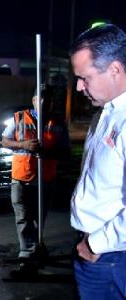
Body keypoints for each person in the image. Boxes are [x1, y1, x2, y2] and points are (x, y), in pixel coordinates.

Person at [69, 24, 126, 300]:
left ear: (115, 69)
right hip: (93, 247)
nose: (79, 87)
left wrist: (95, 243)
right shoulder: (104, 114)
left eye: (84, 77)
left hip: (111, 255)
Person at [2, 86, 70, 276]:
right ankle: (27, 253)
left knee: (39, 219)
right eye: (40, 99)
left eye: (48, 99)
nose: (44, 103)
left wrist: (47, 152)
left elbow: (65, 151)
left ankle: (35, 247)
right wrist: (23, 144)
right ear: (33, 100)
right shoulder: (19, 118)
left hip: (45, 179)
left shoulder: (57, 122)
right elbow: (5, 141)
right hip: (21, 178)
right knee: (23, 217)